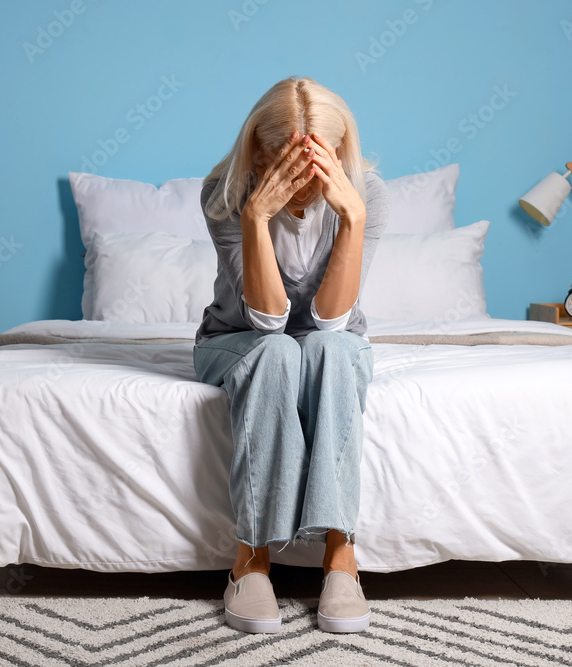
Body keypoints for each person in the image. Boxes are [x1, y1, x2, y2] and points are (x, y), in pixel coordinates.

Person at [193, 76, 389, 634]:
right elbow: (267, 320)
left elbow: (331, 320)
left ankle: (340, 556)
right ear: (258, 150)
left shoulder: (367, 193)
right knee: (277, 352)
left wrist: (351, 219)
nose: (305, 186)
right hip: (235, 341)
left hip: (334, 339)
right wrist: (256, 217)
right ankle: (250, 558)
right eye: (288, 165)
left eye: (316, 165)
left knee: (326, 346)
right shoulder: (221, 191)